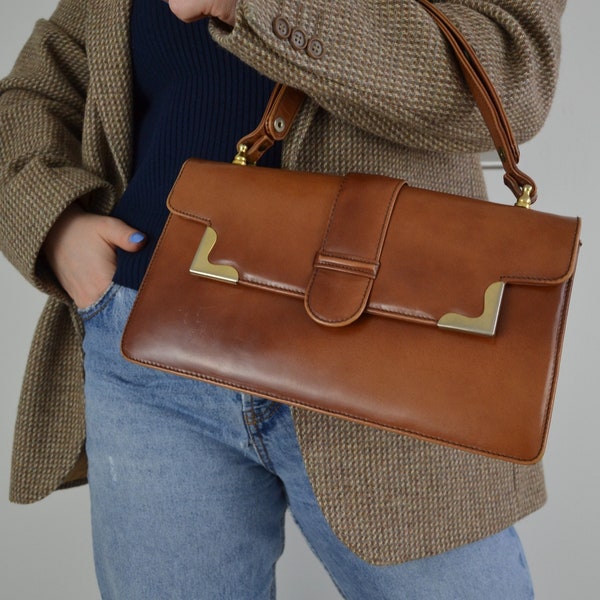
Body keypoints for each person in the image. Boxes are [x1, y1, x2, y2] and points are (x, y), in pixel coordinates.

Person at [0, 0, 566, 598]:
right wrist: (55, 224)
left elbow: (513, 73)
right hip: (149, 351)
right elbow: (34, 89)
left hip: (392, 361)